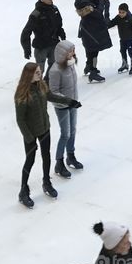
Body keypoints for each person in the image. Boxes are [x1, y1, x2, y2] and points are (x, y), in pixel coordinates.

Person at [14, 61, 80, 208]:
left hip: (44, 128)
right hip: (30, 132)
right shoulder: (22, 93)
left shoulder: (41, 85)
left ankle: (47, 182)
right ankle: (23, 190)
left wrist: (70, 102)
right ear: (29, 75)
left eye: (40, 71)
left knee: (46, 156)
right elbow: (20, 119)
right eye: (37, 72)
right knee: (29, 161)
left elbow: (52, 96)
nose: (40, 73)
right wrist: (30, 138)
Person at [48, 40, 84, 178]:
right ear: (62, 53)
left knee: (73, 130)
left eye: (73, 50)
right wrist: (68, 101)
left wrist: (73, 101)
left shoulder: (70, 64)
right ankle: (59, 162)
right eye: (70, 51)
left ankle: (71, 156)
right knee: (65, 134)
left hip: (72, 103)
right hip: (62, 106)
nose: (73, 53)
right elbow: (53, 92)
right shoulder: (55, 70)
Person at [20, 0, 66, 71]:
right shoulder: (36, 14)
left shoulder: (54, 9)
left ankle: (48, 82)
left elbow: (58, 23)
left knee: (54, 67)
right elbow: (26, 32)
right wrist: (27, 49)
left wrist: (61, 32)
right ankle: (38, 83)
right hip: (41, 47)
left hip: (54, 43)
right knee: (39, 70)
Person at [76, 0, 113, 83]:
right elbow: (98, 13)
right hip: (91, 32)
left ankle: (89, 66)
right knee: (93, 51)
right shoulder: (87, 7)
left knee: (91, 50)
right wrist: (101, 2)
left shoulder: (84, 2)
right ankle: (92, 72)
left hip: (88, 31)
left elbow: (94, 5)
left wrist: (98, 0)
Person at [108, 2, 132, 76]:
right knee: (122, 51)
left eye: (123, 12)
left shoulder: (130, 19)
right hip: (122, 39)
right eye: (119, 12)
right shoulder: (118, 18)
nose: (121, 14)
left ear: (127, 12)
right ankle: (125, 65)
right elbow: (111, 23)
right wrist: (105, 25)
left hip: (130, 39)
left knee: (130, 53)